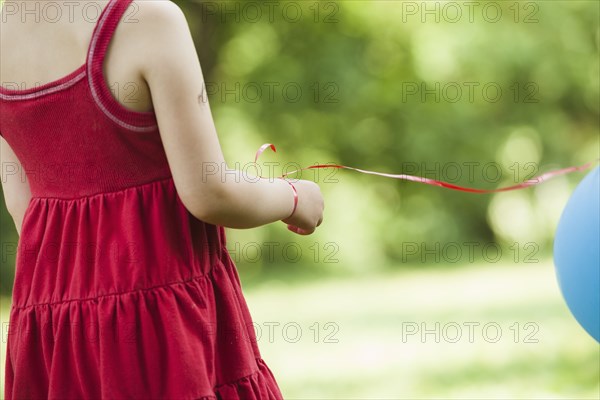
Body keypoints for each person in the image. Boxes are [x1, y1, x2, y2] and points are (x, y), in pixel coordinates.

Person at [0, 0, 324, 398]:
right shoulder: (148, 21)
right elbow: (208, 191)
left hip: (54, 323)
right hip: (157, 313)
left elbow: (24, 208)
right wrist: (294, 198)